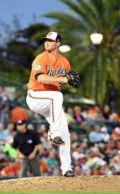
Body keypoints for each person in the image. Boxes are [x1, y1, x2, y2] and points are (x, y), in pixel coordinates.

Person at [26, 31, 76, 177]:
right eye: (45, 40)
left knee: (65, 132)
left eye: (50, 40)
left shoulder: (64, 62)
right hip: (35, 97)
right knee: (57, 96)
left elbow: (68, 82)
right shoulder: (40, 58)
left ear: (58, 43)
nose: (47, 42)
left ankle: (67, 168)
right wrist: (63, 80)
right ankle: (52, 133)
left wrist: (71, 82)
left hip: (51, 102)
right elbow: (40, 78)